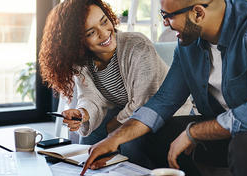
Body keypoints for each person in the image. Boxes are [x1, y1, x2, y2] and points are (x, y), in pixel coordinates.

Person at [82, 0, 247, 175]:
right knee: (151, 134)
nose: (165, 24)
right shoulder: (189, 43)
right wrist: (114, 139)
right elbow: (162, 103)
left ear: (198, 13)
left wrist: (194, 133)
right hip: (234, 130)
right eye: (163, 15)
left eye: (168, 16)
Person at [38, 0, 168, 145]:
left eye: (104, 22)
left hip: (162, 113)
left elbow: (144, 102)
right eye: (91, 32)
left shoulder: (137, 46)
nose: (104, 33)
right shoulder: (82, 62)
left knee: (129, 143)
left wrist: (112, 127)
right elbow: (91, 97)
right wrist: (82, 114)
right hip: (127, 110)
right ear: (77, 41)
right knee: (88, 138)